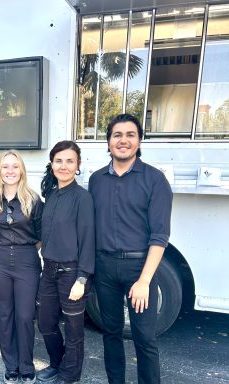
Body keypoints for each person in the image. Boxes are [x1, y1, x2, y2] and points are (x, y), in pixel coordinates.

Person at [88, 113, 173, 384]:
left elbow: (160, 236)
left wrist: (145, 280)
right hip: (104, 268)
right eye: (117, 135)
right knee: (111, 334)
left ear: (139, 140)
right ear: (109, 141)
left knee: (144, 338)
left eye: (130, 135)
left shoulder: (155, 180)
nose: (123, 140)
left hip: (139, 269)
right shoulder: (96, 180)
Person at [36, 141, 95, 384]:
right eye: (59, 160)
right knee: (46, 323)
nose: (64, 166)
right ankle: (57, 364)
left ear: (78, 165)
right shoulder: (50, 194)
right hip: (48, 271)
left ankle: (69, 375)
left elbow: (88, 239)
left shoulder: (83, 198)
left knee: (73, 330)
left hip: (72, 273)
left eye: (70, 161)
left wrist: (82, 279)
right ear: (51, 164)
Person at [0, 150, 43, 384]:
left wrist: (22, 251)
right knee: (4, 315)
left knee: (25, 316)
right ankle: (11, 367)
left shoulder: (34, 200)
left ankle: (27, 366)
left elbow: (40, 235)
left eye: (14, 167)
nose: (10, 171)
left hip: (27, 261)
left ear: (21, 171)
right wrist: (7, 250)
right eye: (5, 167)